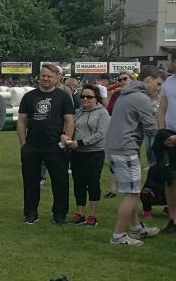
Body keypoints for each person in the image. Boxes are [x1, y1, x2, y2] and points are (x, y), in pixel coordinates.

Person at [105, 66, 163, 246]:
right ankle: (118, 236)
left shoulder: (125, 94)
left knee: (131, 191)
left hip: (116, 147)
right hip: (125, 148)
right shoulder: (140, 98)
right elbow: (151, 128)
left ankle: (136, 228)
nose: (158, 89)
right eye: (158, 84)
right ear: (148, 79)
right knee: (131, 193)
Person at [17, 63, 75, 224]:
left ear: (56, 78)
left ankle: (59, 214)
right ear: (39, 77)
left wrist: (66, 139)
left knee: (60, 182)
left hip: (56, 146)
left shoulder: (63, 96)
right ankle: (30, 213)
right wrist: (23, 143)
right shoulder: (29, 96)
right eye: (43, 75)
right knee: (30, 182)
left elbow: (70, 120)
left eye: (50, 76)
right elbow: (21, 120)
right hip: (32, 146)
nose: (46, 78)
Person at [60, 84, 110, 227]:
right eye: (83, 96)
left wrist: (81, 143)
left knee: (93, 183)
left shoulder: (102, 113)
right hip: (77, 153)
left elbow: (101, 134)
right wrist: (65, 136)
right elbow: (68, 126)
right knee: (79, 183)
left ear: (96, 98)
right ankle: (79, 213)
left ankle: (92, 215)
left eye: (89, 96)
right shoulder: (77, 112)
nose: (85, 99)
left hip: (94, 153)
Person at [156, 52, 176, 232]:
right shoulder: (168, 82)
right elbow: (162, 109)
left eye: (169, 60)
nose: (167, 63)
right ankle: (173, 218)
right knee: (170, 179)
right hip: (169, 137)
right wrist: (162, 132)